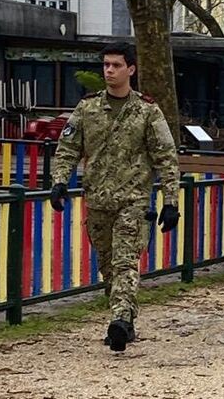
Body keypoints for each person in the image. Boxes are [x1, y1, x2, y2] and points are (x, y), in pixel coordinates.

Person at [49, 41, 180, 352]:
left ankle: (119, 320)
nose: (109, 70)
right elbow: (68, 149)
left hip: (132, 202)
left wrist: (171, 201)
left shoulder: (147, 110)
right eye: (106, 65)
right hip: (97, 200)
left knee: (124, 262)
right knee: (108, 264)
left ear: (130, 69)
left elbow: (166, 156)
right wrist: (59, 182)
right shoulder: (88, 108)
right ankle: (125, 320)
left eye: (116, 65)